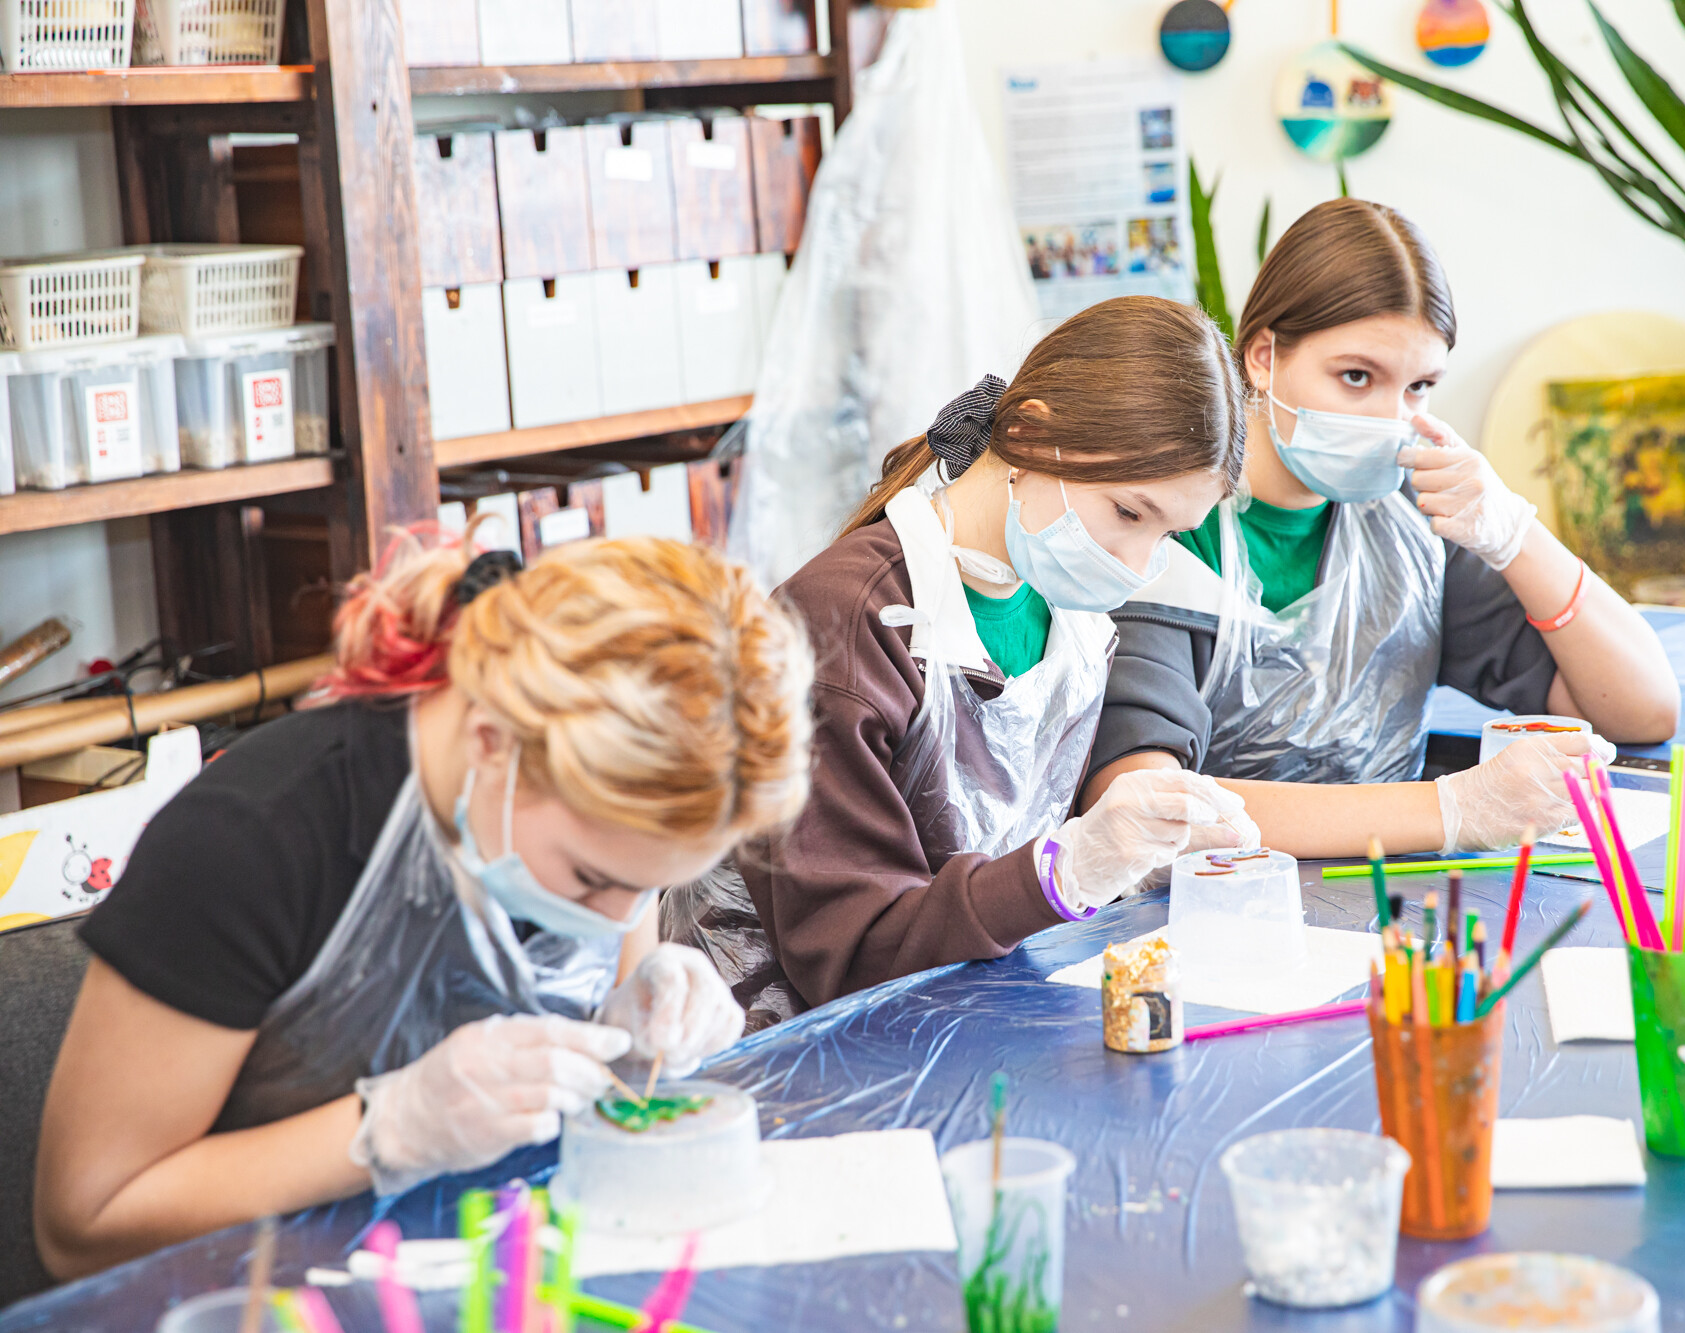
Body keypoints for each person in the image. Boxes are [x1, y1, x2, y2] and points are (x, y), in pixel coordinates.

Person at [35, 533, 813, 1279]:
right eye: (588, 879)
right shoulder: (247, 841)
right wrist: (388, 1129)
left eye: (651, 886)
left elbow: (612, 986)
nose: (618, 919)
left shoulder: (599, 824)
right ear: (491, 741)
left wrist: (639, 1022)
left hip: (505, 1265)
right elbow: (83, 1224)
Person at [1084, 200, 1680, 857]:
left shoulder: (1411, 522)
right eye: (1357, 377)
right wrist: (1453, 809)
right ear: (1263, 356)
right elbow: (1139, 806)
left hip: (1381, 896)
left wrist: (1515, 534)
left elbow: (1641, 709)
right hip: (1210, 904)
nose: (1389, 419)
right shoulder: (1160, 523)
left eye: (1418, 387)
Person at [722, 296, 1256, 1020]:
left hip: (971, 1013)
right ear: (1031, 431)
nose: (1136, 565)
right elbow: (851, 956)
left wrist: (1139, 852)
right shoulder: (845, 624)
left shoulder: (1072, 620)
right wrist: (1064, 872)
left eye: (1167, 535)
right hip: (805, 1045)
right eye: (1129, 513)